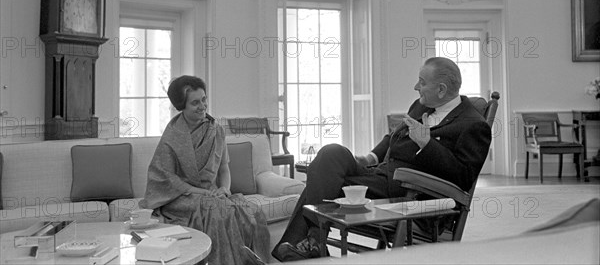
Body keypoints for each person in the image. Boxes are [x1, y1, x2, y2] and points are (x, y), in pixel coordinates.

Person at [272, 57, 492, 261]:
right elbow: (393, 136)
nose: (416, 87)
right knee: (331, 154)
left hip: (410, 193)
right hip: (381, 175)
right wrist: (371, 156)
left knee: (321, 182)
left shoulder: (473, 125)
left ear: (441, 90)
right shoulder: (421, 106)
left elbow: (463, 177)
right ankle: (313, 241)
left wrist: (428, 145)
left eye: (422, 82)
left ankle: (306, 248)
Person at [140, 75, 270, 265]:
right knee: (215, 210)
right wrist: (206, 193)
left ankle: (253, 260)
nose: (202, 106)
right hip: (180, 197)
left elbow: (224, 168)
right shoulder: (172, 136)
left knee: (251, 211)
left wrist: (225, 189)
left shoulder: (216, 130)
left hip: (212, 194)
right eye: (195, 103)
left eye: (204, 99)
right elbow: (168, 180)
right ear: (181, 106)